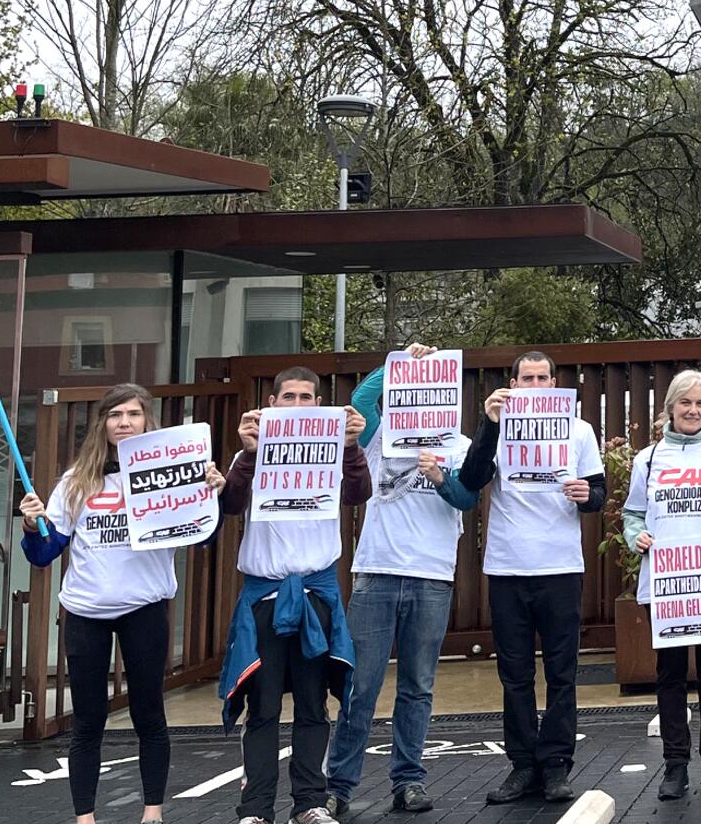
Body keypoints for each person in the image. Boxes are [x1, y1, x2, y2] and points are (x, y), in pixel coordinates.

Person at [18, 383, 225, 824]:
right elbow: (44, 554)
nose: (124, 422)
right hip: (86, 612)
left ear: (148, 421)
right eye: (115, 415)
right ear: (103, 423)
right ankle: (84, 818)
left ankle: (153, 813)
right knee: (88, 722)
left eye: (133, 414)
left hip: (143, 610)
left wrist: (211, 496)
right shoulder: (76, 481)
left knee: (148, 713)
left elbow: (204, 535)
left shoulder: (175, 471)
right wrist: (33, 527)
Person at [440, 350, 608, 805]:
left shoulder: (579, 429)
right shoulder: (498, 426)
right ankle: (521, 765)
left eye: (542, 378)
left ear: (555, 384)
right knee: (514, 674)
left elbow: (599, 492)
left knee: (562, 672)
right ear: (513, 384)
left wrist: (585, 494)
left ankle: (556, 766)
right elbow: (472, 479)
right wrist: (490, 423)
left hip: (560, 566)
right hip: (508, 566)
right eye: (526, 379)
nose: (534, 386)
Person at [323, 344, 474, 817]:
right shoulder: (377, 434)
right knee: (358, 687)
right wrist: (398, 362)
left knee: (418, 687)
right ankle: (338, 786)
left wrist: (440, 477)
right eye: (411, 392)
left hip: (431, 576)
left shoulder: (460, 444)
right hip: (375, 573)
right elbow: (361, 400)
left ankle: (408, 781)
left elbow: (467, 498)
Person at [220, 366, 371, 824]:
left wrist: (350, 445)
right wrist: (248, 454)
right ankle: (256, 809)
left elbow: (358, 493)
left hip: (315, 596)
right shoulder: (250, 451)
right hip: (265, 597)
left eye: (309, 397)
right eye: (290, 396)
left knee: (312, 705)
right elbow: (229, 504)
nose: (299, 404)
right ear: (271, 403)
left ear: (320, 405)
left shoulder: (334, 450)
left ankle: (309, 804)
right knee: (262, 708)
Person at [624, 369, 701, 801]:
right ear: (671, 408)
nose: (693, 410)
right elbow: (632, 514)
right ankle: (675, 765)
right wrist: (634, 536)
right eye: (686, 403)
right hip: (665, 582)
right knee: (671, 674)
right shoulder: (648, 458)